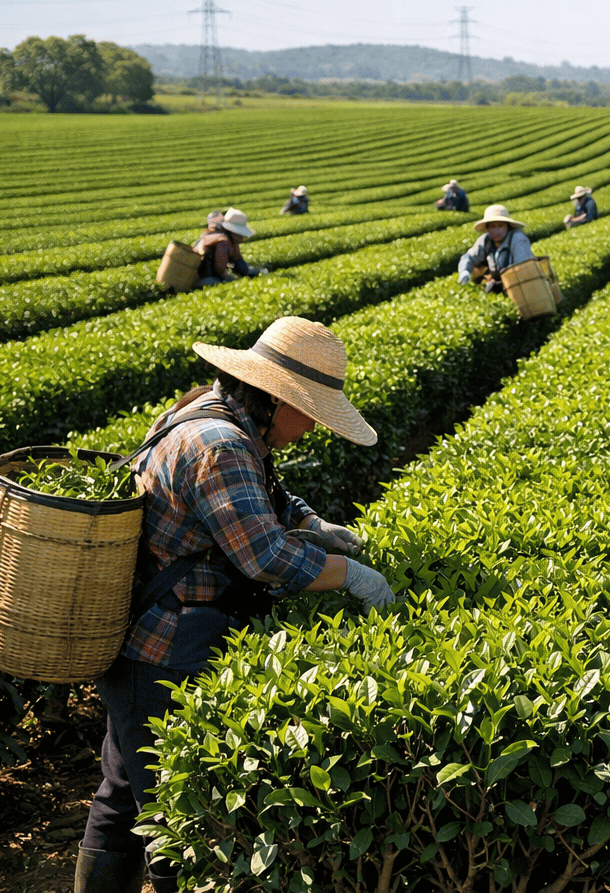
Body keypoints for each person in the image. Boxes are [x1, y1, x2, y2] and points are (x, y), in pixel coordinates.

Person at [74, 316, 396, 893]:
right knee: (173, 818)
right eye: (311, 413)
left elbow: (263, 494)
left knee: (125, 792)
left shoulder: (214, 413)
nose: (312, 428)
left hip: (148, 638)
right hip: (164, 650)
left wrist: (311, 522)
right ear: (276, 398)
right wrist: (353, 576)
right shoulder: (219, 444)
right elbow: (265, 556)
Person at [458, 204, 534, 294]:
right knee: (476, 270)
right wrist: (464, 271)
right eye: (493, 226)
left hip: (519, 283)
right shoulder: (485, 240)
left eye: (500, 226)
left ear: (508, 226)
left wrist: (501, 284)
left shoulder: (518, 239)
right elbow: (469, 257)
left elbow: (522, 269)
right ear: (488, 228)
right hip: (500, 279)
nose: (497, 230)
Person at [193, 208, 266, 287]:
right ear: (234, 231)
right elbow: (219, 269)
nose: (242, 237)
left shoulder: (227, 237)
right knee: (221, 283)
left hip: (204, 276)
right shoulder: (223, 241)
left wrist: (246, 271)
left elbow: (237, 258)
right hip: (202, 278)